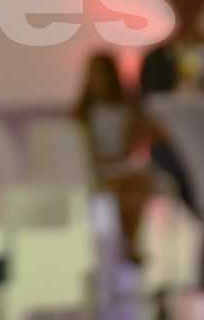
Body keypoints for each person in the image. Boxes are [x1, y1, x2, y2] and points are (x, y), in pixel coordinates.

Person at [140, 0, 204, 211]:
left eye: (192, 2)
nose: (187, 9)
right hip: (170, 150)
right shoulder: (157, 58)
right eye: (181, 2)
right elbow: (146, 107)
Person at [73, 51, 149, 263]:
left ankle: (128, 243)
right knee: (125, 190)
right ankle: (129, 245)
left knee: (135, 187)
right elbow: (86, 149)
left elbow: (130, 143)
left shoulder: (128, 106)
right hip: (100, 167)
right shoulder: (84, 111)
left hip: (122, 164)